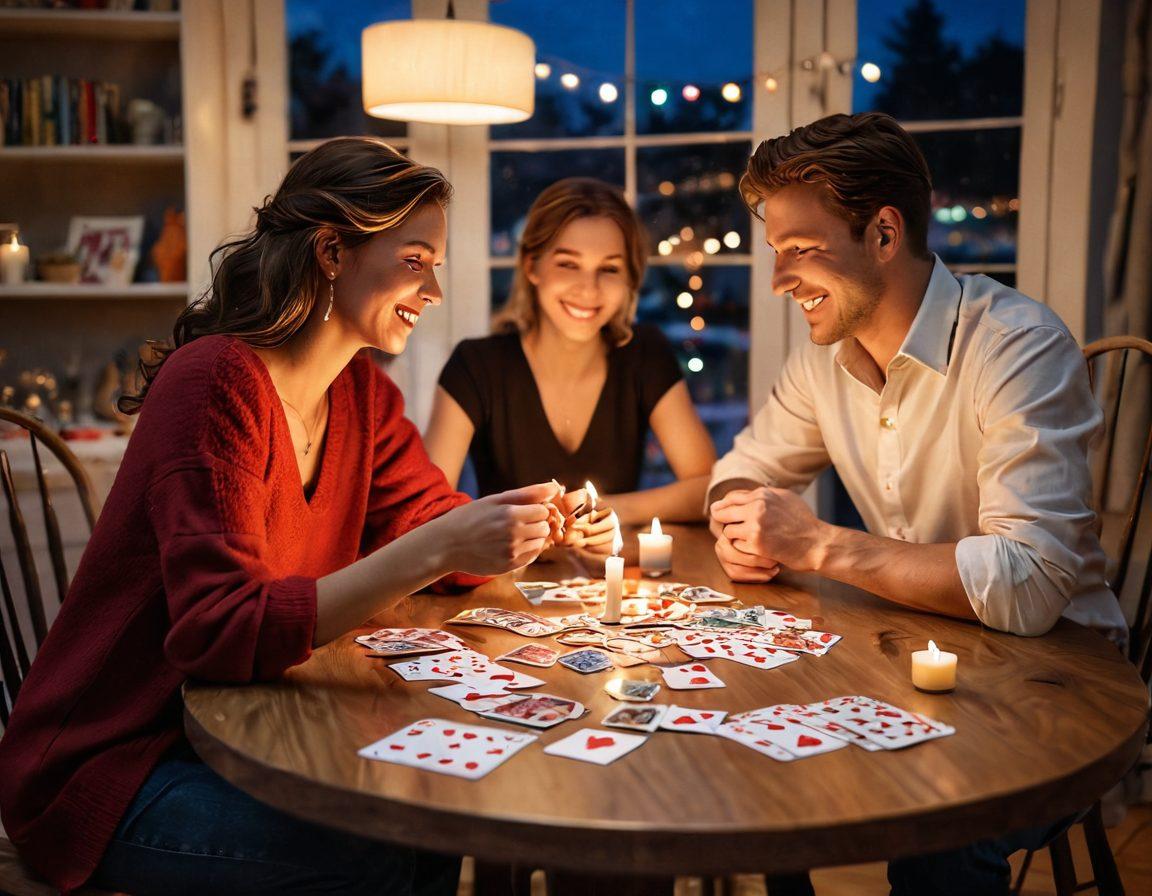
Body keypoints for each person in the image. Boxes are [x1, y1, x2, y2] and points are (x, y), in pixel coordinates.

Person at [0, 137, 573, 896]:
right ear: (332, 251)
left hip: (248, 730)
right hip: (113, 766)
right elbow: (217, 631)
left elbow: (435, 521)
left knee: (433, 818)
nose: (434, 287)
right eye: (415, 259)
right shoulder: (212, 384)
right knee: (383, 853)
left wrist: (518, 526)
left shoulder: (361, 395)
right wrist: (436, 547)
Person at [707, 112, 1125, 895]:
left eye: (800, 252)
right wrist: (743, 523)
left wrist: (819, 546)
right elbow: (741, 471)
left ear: (885, 234)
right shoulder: (824, 360)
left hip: (1058, 680)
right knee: (741, 752)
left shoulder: (1018, 345)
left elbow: (1031, 585)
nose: (778, 281)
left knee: (941, 829)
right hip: (904, 653)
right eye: (775, 254)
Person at [424, 177, 716, 536]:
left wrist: (604, 511)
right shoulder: (475, 365)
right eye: (567, 264)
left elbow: (709, 489)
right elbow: (425, 513)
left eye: (609, 269)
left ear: (630, 279)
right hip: (499, 584)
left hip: (611, 582)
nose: (588, 289)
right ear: (532, 266)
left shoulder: (644, 354)